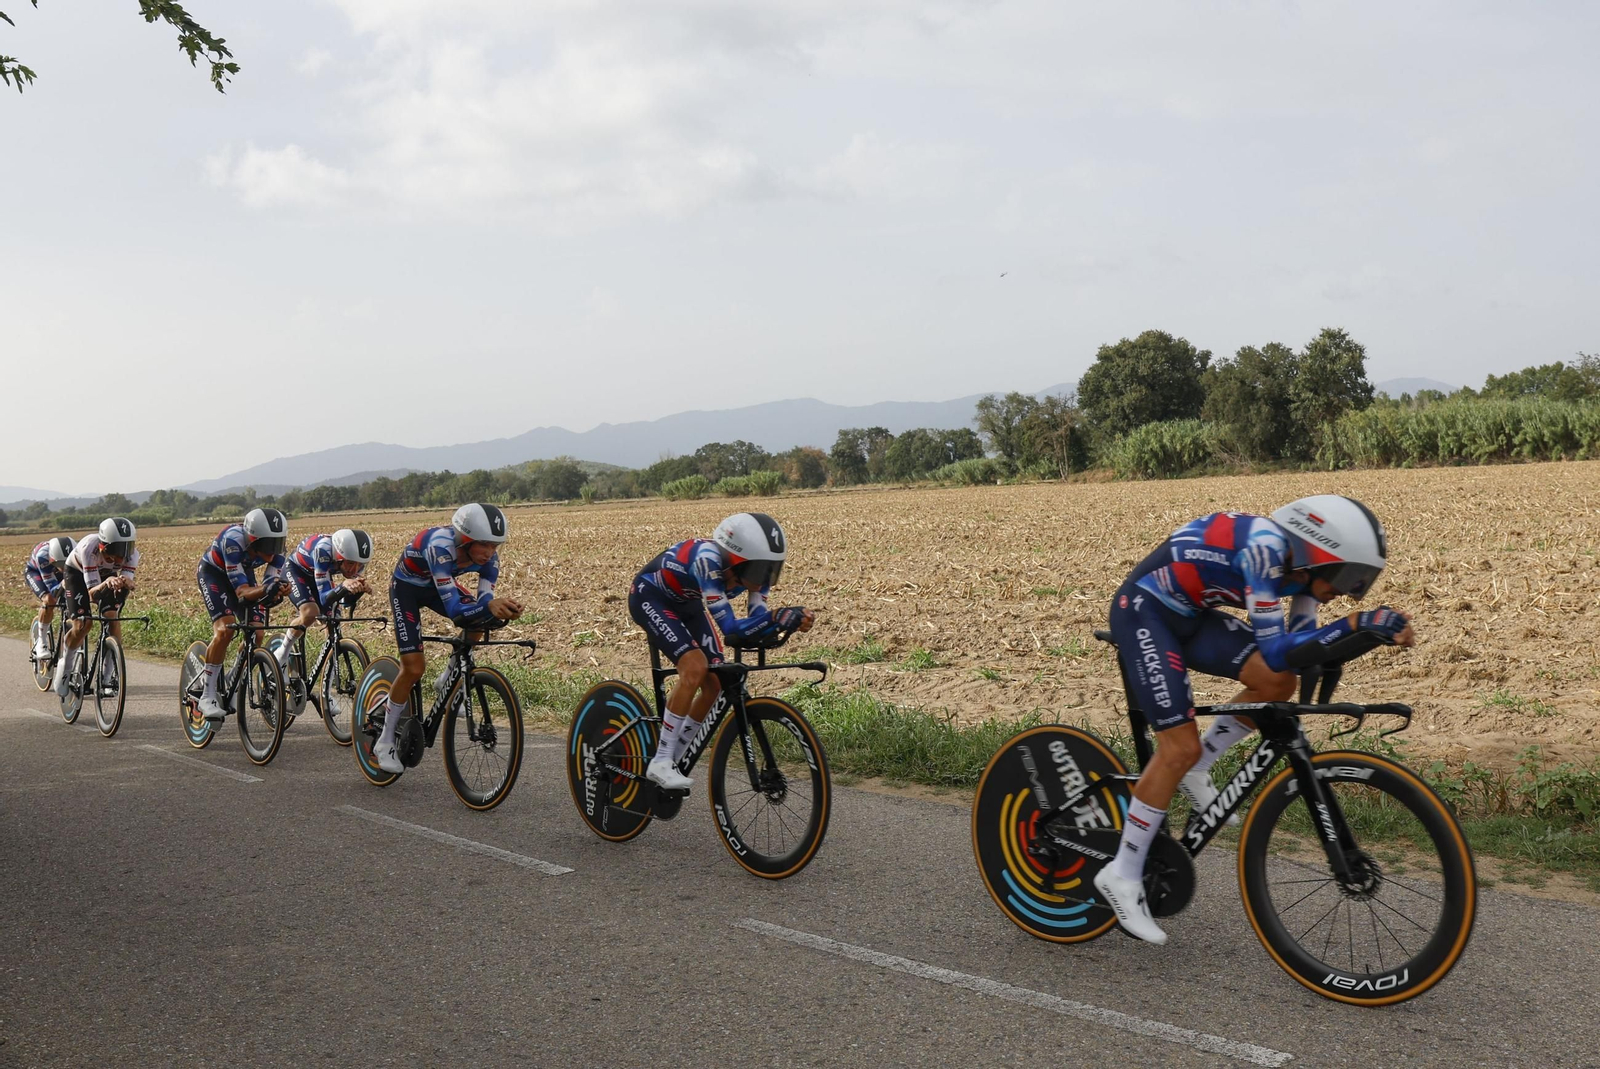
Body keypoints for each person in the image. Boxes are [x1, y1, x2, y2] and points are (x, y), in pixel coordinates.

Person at [1093, 494, 1415, 944]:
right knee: (1177, 747)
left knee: (1276, 684)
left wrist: (1352, 638)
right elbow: (1276, 648)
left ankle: (1200, 767)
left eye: (1361, 582)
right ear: (1314, 551)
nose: (1348, 590)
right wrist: (1357, 622)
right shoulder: (1264, 551)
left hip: (1191, 616)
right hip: (1145, 611)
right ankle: (1122, 874)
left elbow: (1296, 652)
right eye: (1347, 576)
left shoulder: (1303, 574)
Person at [628, 512, 813, 791]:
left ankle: (675, 755)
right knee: (694, 667)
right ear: (736, 560)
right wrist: (775, 617)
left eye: (771, 570)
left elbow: (752, 627)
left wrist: (790, 621)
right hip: (650, 596)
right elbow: (732, 629)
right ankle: (662, 761)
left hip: (688, 605)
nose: (765, 579)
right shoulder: (707, 560)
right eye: (760, 569)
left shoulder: (751, 578)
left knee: (714, 684)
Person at [376, 503, 524, 774]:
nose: (490, 553)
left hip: (436, 585)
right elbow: (456, 611)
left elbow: (483, 602)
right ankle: (385, 740)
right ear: (465, 539)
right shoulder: (440, 546)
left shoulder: (489, 560)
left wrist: (498, 609)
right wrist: (487, 607)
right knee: (413, 668)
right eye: (484, 545)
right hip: (407, 589)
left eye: (495, 546)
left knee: (479, 621)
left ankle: (447, 677)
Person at [194, 507, 289, 722]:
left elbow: (269, 585)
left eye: (277, 543)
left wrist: (278, 589)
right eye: (268, 545)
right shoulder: (233, 541)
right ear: (252, 540)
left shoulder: (277, 552)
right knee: (225, 630)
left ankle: (232, 680)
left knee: (257, 633)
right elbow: (241, 592)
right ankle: (207, 696)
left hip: (241, 574)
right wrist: (268, 589)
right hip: (213, 574)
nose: (273, 551)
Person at [53, 518, 139, 696]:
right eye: (116, 550)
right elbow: (92, 594)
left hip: (107, 575)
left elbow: (124, 580)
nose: (122, 557)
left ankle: (107, 678)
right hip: (77, 574)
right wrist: (107, 581)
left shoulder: (132, 555)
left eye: (126, 549)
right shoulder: (89, 548)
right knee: (83, 624)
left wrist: (125, 582)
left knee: (112, 618)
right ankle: (66, 666)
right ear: (103, 545)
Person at [275, 528, 374, 672]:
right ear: (339, 557)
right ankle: (282, 653)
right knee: (310, 613)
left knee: (334, 621)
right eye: (351, 564)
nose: (355, 570)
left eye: (360, 565)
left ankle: (327, 679)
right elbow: (323, 598)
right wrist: (343, 586)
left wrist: (357, 590)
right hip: (296, 571)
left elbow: (343, 602)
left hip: (320, 574)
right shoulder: (323, 550)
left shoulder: (352, 560)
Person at [24, 535, 74, 663]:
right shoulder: (43, 557)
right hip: (35, 571)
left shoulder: (77, 551)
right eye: (60, 564)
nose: (63, 568)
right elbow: (52, 588)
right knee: (49, 600)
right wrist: (61, 585)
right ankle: (42, 642)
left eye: (65, 564)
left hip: (56, 569)